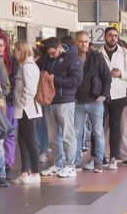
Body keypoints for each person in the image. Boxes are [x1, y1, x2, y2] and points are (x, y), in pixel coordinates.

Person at [40, 37, 83, 178]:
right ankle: (58, 164)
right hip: (49, 101)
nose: (51, 56)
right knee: (53, 136)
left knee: (68, 134)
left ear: (60, 47)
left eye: (53, 53)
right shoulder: (46, 58)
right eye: (49, 54)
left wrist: (54, 79)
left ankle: (70, 166)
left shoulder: (72, 58)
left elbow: (77, 80)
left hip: (65, 101)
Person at [74, 31, 111, 173]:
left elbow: (107, 77)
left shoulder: (96, 57)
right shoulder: (72, 58)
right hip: (77, 102)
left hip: (95, 102)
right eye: (81, 41)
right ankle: (76, 162)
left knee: (98, 132)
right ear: (75, 42)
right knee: (76, 133)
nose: (84, 44)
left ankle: (98, 162)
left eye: (86, 41)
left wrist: (104, 95)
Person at [100, 27, 127, 169]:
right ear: (105, 37)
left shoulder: (124, 52)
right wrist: (105, 74)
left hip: (119, 94)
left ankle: (113, 157)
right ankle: (102, 155)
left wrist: (121, 73)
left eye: (115, 36)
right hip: (102, 94)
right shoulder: (98, 53)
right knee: (100, 127)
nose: (113, 38)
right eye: (110, 35)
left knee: (117, 127)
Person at [12, 40, 42, 184]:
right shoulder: (25, 66)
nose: (14, 53)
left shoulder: (27, 67)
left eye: (16, 50)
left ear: (22, 51)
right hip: (25, 109)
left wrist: (22, 102)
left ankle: (35, 173)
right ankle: (25, 172)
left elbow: (30, 89)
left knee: (30, 141)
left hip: (27, 110)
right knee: (23, 141)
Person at [0, 28, 18, 177]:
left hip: (8, 101)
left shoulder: (12, 61)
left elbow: (13, 82)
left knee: (8, 132)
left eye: (1, 45)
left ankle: (7, 162)